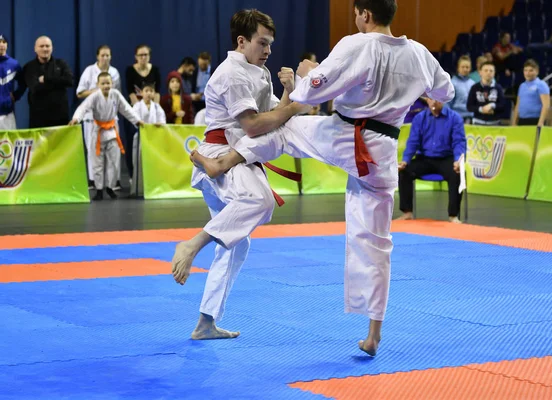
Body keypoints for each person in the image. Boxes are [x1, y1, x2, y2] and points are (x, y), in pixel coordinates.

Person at [189, 0, 454, 356]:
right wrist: (401, 89)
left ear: (364, 14)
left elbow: (311, 92)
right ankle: (373, 334)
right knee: (377, 242)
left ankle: (224, 163)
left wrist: (308, 72)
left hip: (346, 135)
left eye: (356, 13)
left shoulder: (355, 44)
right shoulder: (420, 54)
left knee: (286, 128)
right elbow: (445, 92)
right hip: (384, 150)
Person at [170, 9, 309, 341]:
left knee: (237, 243)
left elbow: (274, 115)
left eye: (271, 44)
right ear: (242, 41)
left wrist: (289, 92)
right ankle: (191, 245)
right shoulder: (232, 72)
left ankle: (206, 322)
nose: (268, 51)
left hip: (233, 162)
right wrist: (295, 105)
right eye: (262, 43)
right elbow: (253, 125)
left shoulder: (257, 72)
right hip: (219, 160)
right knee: (259, 200)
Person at [69, 72, 143, 200]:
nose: (106, 86)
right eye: (102, 83)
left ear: (112, 83)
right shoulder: (94, 96)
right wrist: (76, 119)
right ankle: (98, 190)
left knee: (114, 162)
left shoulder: (116, 95)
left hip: (112, 132)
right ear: (98, 84)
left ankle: (110, 187)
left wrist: (137, 120)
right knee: (97, 162)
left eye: (108, 83)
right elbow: (83, 107)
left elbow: (126, 109)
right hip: (97, 131)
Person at [397, 99, 466, 223]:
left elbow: (459, 143)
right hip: (424, 158)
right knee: (404, 171)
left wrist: (457, 161)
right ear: (427, 101)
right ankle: (407, 212)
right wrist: (405, 160)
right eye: (431, 99)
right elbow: (413, 141)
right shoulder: (419, 118)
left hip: (446, 158)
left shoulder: (455, 118)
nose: (434, 102)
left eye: (437, 100)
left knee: (457, 173)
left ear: (444, 100)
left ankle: (453, 215)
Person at [76, 45, 122, 189]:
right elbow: (79, 93)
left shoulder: (114, 72)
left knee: (113, 152)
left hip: (111, 118)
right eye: (102, 55)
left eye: (107, 55)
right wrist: (97, 91)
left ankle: (113, 181)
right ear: (97, 56)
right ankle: (93, 181)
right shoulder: (89, 71)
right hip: (92, 119)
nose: (105, 58)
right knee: (93, 151)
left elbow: (118, 95)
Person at [124, 45, 161, 183]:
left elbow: (157, 92)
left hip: (151, 111)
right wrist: (137, 115)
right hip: (135, 111)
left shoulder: (155, 70)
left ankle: (151, 174)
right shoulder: (130, 71)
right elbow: (131, 93)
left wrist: (155, 109)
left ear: (149, 56)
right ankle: (133, 175)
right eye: (140, 55)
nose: (143, 57)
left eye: (145, 55)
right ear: (136, 57)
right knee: (132, 143)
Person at [23, 36, 74, 128]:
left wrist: (46, 79)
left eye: (47, 46)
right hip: (38, 118)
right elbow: (35, 88)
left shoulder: (61, 64)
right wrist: (58, 83)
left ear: (52, 48)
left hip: (60, 117)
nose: (45, 49)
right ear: (35, 48)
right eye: (41, 46)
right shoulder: (29, 67)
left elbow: (69, 81)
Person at [131, 83, 166, 196]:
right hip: (140, 138)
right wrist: (144, 125)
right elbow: (134, 120)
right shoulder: (137, 106)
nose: (149, 93)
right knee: (138, 163)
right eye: (146, 90)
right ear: (141, 93)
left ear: (154, 93)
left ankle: (152, 189)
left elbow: (162, 121)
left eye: (151, 91)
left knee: (153, 164)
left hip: (153, 140)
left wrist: (159, 124)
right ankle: (138, 190)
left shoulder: (157, 107)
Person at [511, 59, 550, 127]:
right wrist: (514, 122)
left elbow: (546, 105)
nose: (527, 73)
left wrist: (541, 122)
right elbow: (518, 105)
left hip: (535, 120)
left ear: (537, 71)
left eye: (531, 70)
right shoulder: (522, 86)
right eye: (525, 70)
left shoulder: (541, 84)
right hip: (522, 120)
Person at [0, 34, 26, 130]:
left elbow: (23, 83)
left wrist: (16, 96)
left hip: (8, 114)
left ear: (7, 45)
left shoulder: (14, 64)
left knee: (9, 144)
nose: (1, 45)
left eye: (4, 42)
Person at [467, 61, 505, 126]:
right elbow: (469, 106)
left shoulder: (498, 87)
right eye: (486, 70)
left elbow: (503, 105)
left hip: (495, 123)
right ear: (480, 72)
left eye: (491, 71)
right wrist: (481, 109)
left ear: (494, 73)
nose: (488, 73)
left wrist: (492, 106)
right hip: (478, 123)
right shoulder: (474, 87)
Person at [448, 56, 475, 122]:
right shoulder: (452, 83)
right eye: (463, 67)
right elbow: (448, 103)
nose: (465, 69)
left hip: (471, 116)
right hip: (456, 116)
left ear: (470, 68)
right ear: (458, 68)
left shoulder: (473, 83)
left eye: (467, 67)